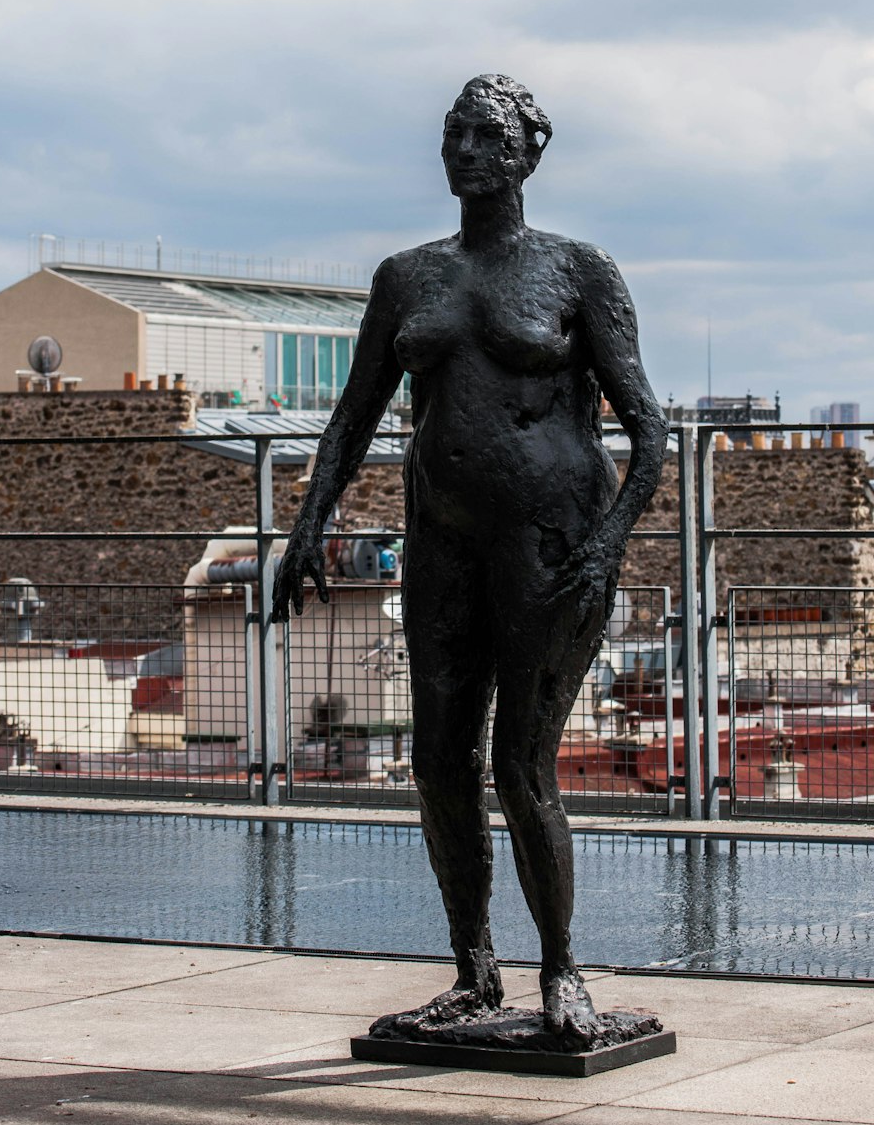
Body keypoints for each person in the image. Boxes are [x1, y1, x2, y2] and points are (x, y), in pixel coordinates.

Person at [273, 74, 667, 1045]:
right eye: (454, 132)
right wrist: (308, 523)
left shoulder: (578, 271)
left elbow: (651, 434)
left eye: (486, 135)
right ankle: (474, 972)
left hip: (552, 547)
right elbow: (353, 415)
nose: (464, 150)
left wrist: (606, 546)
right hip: (443, 543)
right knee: (441, 761)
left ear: (527, 154)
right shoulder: (409, 277)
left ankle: (563, 973)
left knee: (521, 765)